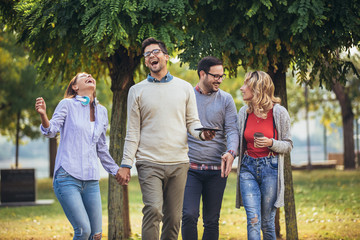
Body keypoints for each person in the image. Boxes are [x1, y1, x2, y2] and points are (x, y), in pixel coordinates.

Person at [116, 38, 216, 240]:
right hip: (149, 162)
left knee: (174, 218)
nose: (151, 56)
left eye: (155, 52)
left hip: (178, 162)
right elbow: (132, 131)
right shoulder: (136, 91)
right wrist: (126, 164)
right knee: (153, 209)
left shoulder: (185, 87)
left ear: (166, 56)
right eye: (147, 54)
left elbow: (193, 122)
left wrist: (202, 133)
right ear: (145, 62)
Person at [35, 72, 126, 240]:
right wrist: (43, 115)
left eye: (90, 75)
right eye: (83, 75)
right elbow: (51, 131)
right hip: (67, 177)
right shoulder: (67, 105)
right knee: (83, 230)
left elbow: (101, 149)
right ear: (75, 87)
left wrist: (116, 170)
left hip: (91, 180)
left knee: (96, 235)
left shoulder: (102, 111)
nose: (89, 75)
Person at [181, 56, 239, 240]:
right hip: (190, 169)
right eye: (215, 76)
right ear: (202, 74)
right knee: (189, 215)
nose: (219, 80)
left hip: (217, 171)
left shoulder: (226, 100)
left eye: (222, 76)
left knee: (212, 221)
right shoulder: (187, 96)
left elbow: (232, 131)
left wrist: (231, 152)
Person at [236, 71, 293, 240]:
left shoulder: (279, 113)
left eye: (246, 85)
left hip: (271, 169)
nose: (241, 88)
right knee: (253, 219)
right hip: (248, 169)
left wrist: (271, 143)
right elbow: (237, 143)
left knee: (267, 222)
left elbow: (288, 145)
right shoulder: (243, 113)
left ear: (258, 89)